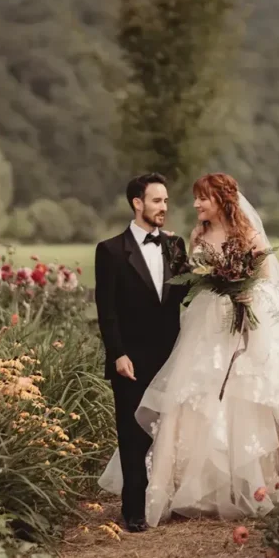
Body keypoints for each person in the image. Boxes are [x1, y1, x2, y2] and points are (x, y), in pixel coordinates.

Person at [99, 172, 279, 527]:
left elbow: (266, 280)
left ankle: (246, 485)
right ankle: (154, 500)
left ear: (220, 199)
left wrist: (242, 292)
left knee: (242, 401)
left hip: (236, 326)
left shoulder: (194, 241)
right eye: (160, 200)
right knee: (187, 406)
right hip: (200, 329)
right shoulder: (187, 238)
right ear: (137, 203)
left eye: (201, 198)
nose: (192, 205)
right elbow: (163, 293)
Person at [93, 172, 189, 533]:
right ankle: (133, 509)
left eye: (165, 200)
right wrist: (117, 353)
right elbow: (107, 310)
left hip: (172, 356)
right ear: (137, 203)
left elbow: (188, 294)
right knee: (133, 434)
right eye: (156, 200)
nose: (163, 207)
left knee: (169, 431)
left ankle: (168, 500)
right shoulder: (111, 251)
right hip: (130, 359)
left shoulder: (176, 246)